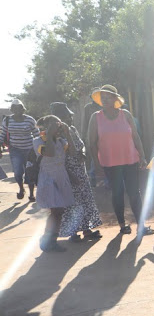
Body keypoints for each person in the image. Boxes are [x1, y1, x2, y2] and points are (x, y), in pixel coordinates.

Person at [87, 84, 153, 235]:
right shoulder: (96, 117)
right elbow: (91, 142)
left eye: (108, 97)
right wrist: (97, 165)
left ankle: (141, 225)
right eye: (102, 98)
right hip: (109, 163)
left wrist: (142, 156)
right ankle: (123, 225)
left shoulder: (126, 115)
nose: (104, 100)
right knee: (117, 193)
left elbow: (135, 136)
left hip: (130, 160)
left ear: (115, 99)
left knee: (134, 193)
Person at [50, 102, 103, 242]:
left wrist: (84, 153)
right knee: (73, 203)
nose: (70, 119)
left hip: (80, 170)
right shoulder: (55, 135)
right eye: (66, 117)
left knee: (85, 200)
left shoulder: (73, 129)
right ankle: (73, 233)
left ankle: (86, 230)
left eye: (70, 116)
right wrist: (70, 174)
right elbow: (62, 157)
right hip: (68, 173)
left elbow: (81, 145)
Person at [33, 116, 75, 252]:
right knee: (56, 210)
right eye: (52, 126)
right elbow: (49, 153)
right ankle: (48, 240)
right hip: (48, 179)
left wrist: (68, 134)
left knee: (59, 211)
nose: (56, 128)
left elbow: (73, 153)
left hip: (61, 177)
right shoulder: (38, 141)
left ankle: (50, 240)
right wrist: (50, 135)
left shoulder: (61, 141)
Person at [1, 99, 37, 201]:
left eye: (19, 108)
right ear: (12, 109)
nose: (17, 110)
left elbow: (36, 134)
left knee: (29, 172)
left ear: (23, 109)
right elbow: (3, 134)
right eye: (14, 108)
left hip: (29, 150)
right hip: (15, 150)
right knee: (17, 172)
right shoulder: (7, 120)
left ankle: (31, 193)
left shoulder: (30, 120)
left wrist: (38, 148)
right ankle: (21, 189)